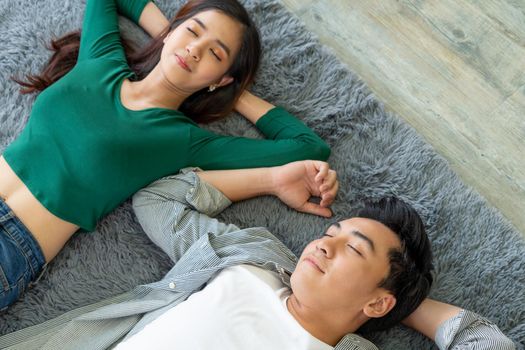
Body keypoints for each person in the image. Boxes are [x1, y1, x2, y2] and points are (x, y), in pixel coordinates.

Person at [0, 0, 330, 309]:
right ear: (172, 31)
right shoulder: (101, 60)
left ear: (221, 78)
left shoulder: (183, 140)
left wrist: (235, 94)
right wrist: (167, 29)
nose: (195, 49)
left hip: (14, 244)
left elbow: (307, 147)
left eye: (215, 53)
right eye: (193, 31)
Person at [0, 160, 514, 349]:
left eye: (352, 249)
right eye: (331, 231)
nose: (323, 242)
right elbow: (158, 199)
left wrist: (401, 303)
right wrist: (271, 178)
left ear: (377, 302)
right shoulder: (254, 257)